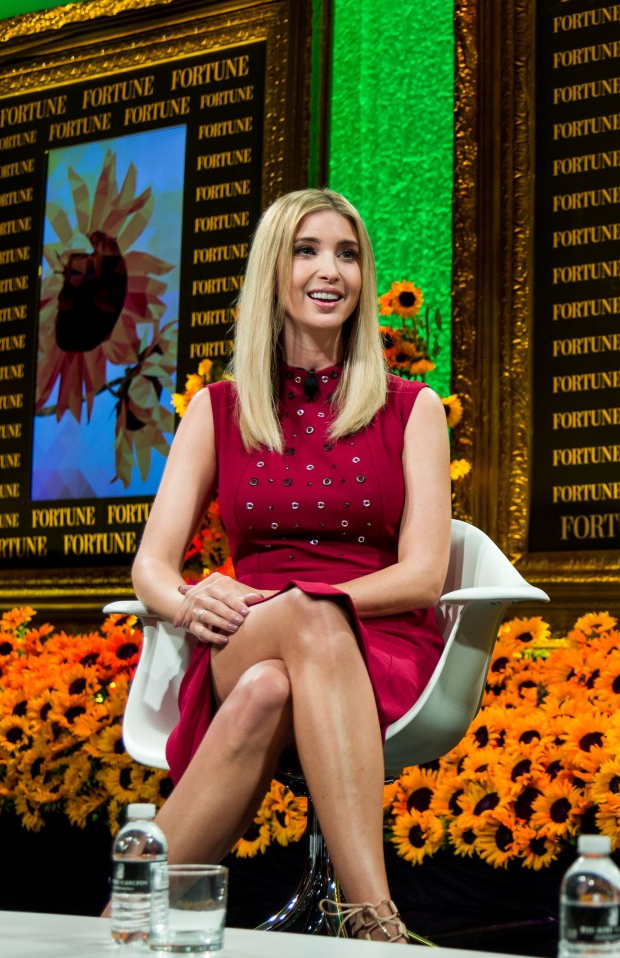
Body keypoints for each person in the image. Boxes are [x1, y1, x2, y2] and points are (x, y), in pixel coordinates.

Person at [125, 189, 452, 942]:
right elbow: (152, 568)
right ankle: (375, 920)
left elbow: (423, 576)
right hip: (246, 632)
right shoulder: (218, 408)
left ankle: (130, 906)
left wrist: (314, 604)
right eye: (307, 251)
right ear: (274, 270)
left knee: (273, 683)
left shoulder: (414, 409)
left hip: (380, 642)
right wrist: (187, 603)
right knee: (290, 635)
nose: (329, 270)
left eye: (347, 255)